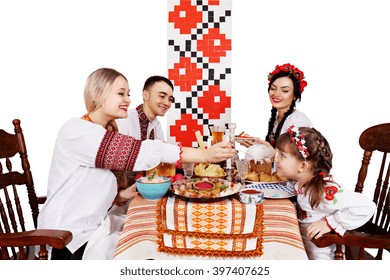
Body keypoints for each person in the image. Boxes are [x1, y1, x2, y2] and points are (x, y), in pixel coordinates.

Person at [36, 68, 236, 260]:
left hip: (93, 228)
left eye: (128, 94)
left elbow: (88, 186)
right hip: (65, 240)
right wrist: (205, 155)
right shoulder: (78, 131)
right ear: (97, 95)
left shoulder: (103, 131)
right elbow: (140, 151)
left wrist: (120, 195)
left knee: (154, 235)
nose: (128, 100)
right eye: (121, 93)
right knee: (147, 249)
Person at [274, 126, 376, 260]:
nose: (276, 159)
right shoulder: (301, 182)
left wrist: (330, 222)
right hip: (302, 250)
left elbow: (367, 207)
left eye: (282, 155)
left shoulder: (325, 192)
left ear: (303, 166)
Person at [238, 63, 312, 149]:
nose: (276, 94)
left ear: (295, 96)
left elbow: (296, 160)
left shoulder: (298, 121)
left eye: (285, 90)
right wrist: (257, 145)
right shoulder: (276, 119)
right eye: (273, 88)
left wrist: (265, 148)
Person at [116, 75, 174, 141]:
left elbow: (161, 150)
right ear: (145, 95)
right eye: (162, 96)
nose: (167, 103)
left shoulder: (157, 125)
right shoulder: (124, 120)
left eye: (170, 99)